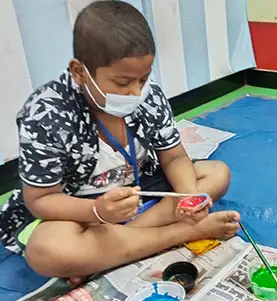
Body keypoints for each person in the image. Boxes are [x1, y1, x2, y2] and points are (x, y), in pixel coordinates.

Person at [0, 1, 240, 280]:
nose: (135, 93)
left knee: (216, 174)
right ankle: (185, 233)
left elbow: (174, 157)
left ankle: (107, 251)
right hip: (78, 207)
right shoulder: (46, 114)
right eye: (122, 83)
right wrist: (97, 210)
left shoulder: (148, 97)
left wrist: (187, 196)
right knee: (48, 250)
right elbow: (41, 199)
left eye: (143, 79)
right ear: (80, 72)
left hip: (137, 193)